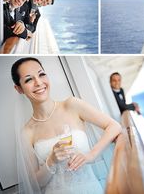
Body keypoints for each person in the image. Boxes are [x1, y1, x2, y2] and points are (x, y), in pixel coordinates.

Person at [11, 57, 121, 194]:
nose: (38, 82)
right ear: (19, 89)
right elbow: (35, 183)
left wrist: (91, 155)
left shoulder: (72, 105)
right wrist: (51, 161)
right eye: (29, 79)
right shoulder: (27, 132)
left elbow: (114, 126)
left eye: (41, 74)